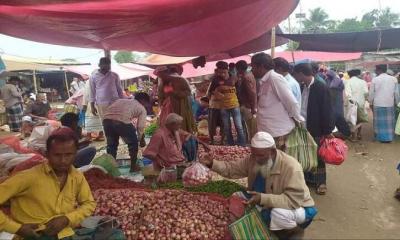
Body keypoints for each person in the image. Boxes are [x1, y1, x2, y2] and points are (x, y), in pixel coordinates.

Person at [200, 132, 316, 238]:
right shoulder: (253, 159)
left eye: (260, 155)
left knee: (278, 214)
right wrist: (212, 163)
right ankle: (266, 224)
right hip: (263, 197)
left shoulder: (291, 167)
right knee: (237, 196)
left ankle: (293, 232)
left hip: (297, 206)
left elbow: (294, 200)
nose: (256, 159)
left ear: (272, 152)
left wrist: (262, 198)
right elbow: (232, 168)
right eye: (253, 154)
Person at [0, 127, 96, 239]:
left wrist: (67, 219)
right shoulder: (27, 177)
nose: (63, 160)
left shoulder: (76, 176)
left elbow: (89, 203)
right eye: (57, 155)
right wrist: (17, 228)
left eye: (68, 155)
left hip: (65, 235)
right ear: (47, 154)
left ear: (75, 154)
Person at [293, 63, 335, 195]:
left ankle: (321, 182)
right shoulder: (301, 86)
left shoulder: (320, 87)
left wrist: (328, 130)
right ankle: (309, 179)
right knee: (305, 154)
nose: (294, 77)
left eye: (295, 74)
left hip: (316, 126)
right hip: (302, 126)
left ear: (301, 73)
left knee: (318, 155)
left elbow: (327, 110)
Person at [251, 53, 303, 151]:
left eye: (253, 67)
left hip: (278, 132)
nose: (252, 70)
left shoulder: (275, 78)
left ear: (261, 67)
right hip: (269, 131)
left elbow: (291, 103)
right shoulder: (265, 80)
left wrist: (296, 119)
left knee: (278, 162)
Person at [144, 113, 209, 171]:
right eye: (179, 125)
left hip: (180, 164)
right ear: (172, 124)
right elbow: (148, 153)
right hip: (168, 168)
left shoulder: (175, 131)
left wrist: (203, 144)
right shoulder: (159, 135)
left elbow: (190, 135)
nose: (180, 126)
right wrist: (159, 161)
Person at [102, 93, 148, 172]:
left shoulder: (121, 100)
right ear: (143, 101)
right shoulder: (141, 108)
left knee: (111, 146)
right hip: (121, 121)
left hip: (107, 120)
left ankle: (110, 169)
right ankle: (133, 167)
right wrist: (140, 139)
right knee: (133, 143)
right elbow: (140, 126)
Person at [208, 61, 246, 146]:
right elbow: (211, 91)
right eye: (220, 72)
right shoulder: (215, 80)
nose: (222, 74)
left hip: (235, 105)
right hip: (223, 107)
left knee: (239, 126)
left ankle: (242, 143)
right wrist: (216, 93)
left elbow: (239, 90)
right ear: (217, 71)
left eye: (224, 72)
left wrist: (241, 102)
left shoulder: (234, 78)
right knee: (227, 127)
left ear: (227, 70)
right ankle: (230, 143)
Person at [156, 66, 196, 133]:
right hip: (167, 108)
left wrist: (175, 93)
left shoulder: (180, 80)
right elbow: (160, 96)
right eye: (160, 76)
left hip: (181, 106)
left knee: (180, 125)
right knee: (167, 125)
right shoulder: (162, 83)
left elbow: (188, 92)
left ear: (167, 73)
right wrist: (161, 104)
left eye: (162, 75)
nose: (161, 77)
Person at [369, 64, 400, 143]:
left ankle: (378, 137)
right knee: (389, 122)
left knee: (378, 121)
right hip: (389, 103)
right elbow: (396, 93)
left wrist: (370, 102)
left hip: (378, 103)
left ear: (378, 70)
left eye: (376, 70)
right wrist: (397, 102)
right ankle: (389, 138)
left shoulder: (375, 79)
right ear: (385, 70)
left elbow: (371, 93)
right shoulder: (394, 79)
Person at [236, 60, 257, 142]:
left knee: (251, 128)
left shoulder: (246, 77)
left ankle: (253, 143)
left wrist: (253, 107)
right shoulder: (250, 75)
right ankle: (253, 142)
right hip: (249, 105)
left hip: (248, 106)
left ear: (239, 69)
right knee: (252, 127)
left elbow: (252, 93)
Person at [326, 70, 351, 139]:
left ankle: (334, 136)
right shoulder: (331, 81)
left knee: (335, 120)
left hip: (335, 106)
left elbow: (332, 88)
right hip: (337, 106)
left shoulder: (336, 81)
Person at [346, 69, 369, 141]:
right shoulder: (363, 82)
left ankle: (353, 136)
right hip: (361, 102)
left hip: (352, 103)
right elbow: (366, 92)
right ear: (357, 74)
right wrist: (365, 100)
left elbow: (348, 94)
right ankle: (359, 133)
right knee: (360, 118)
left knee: (352, 119)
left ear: (350, 75)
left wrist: (350, 101)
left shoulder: (348, 82)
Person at [207, 74, 224, 145]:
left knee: (214, 124)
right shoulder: (213, 85)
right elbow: (208, 95)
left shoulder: (223, 85)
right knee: (214, 125)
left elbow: (208, 95)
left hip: (218, 107)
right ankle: (215, 141)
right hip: (215, 107)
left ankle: (215, 141)